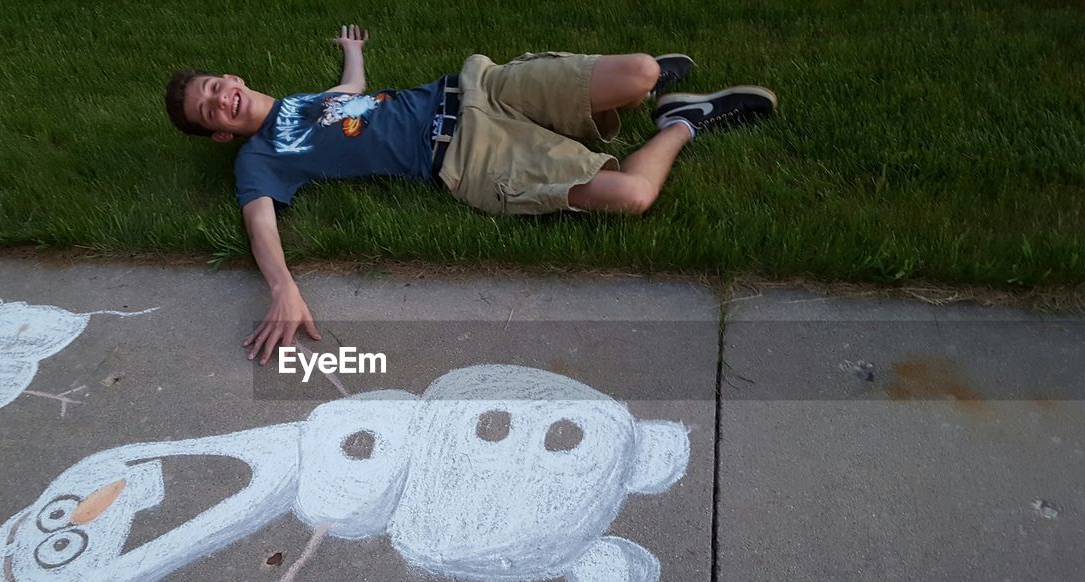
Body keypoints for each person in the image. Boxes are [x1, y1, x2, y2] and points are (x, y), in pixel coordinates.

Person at [164, 25, 777, 364]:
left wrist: (353, 54)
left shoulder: (305, 102)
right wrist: (283, 287)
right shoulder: (260, 159)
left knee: (641, 68)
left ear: (233, 78)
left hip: (472, 90)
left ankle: (638, 91)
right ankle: (683, 120)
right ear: (218, 132)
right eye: (209, 108)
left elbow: (350, 94)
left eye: (216, 85)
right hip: (465, 158)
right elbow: (259, 223)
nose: (221, 97)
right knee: (633, 194)